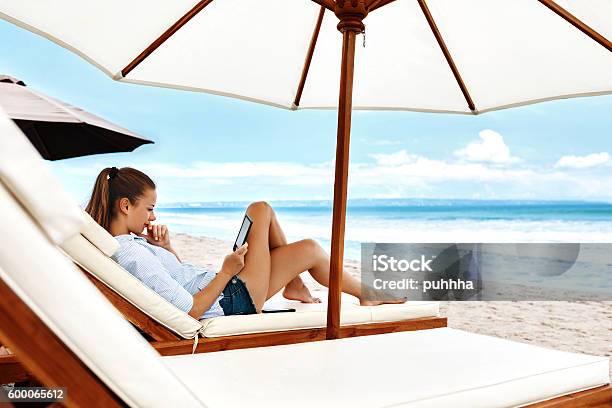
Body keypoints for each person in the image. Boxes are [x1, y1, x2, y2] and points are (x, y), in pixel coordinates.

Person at [85, 166, 404, 319]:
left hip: (227, 289)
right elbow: (189, 310)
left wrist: (167, 250)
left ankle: (304, 286)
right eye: (149, 209)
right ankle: (360, 293)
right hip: (231, 299)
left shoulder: (129, 244)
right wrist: (226, 272)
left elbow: (175, 281)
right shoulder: (131, 253)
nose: (152, 218)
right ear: (125, 205)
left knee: (308, 248)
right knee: (261, 210)